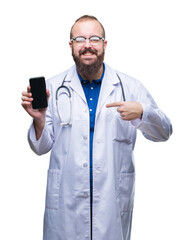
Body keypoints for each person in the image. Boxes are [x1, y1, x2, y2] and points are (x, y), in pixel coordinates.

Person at [21, 15, 172, 240]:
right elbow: (41, 148)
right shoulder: (53, 88)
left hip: (111, 207)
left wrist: (141, 111)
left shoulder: (128, 87)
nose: (88, 45)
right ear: (71, 45)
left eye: (95, 38)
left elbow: (164, 131)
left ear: (104, 44)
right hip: (66, 209)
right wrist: (39, 119)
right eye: (80, 39)